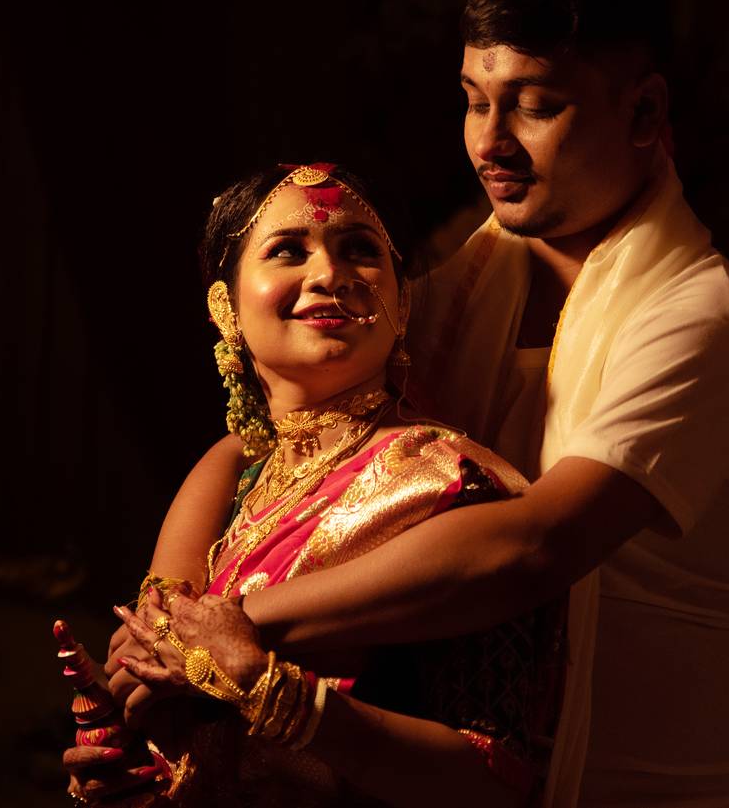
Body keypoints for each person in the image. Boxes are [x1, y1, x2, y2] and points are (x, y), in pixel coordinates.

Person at [111, 0, 729, 807]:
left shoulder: (700, 315)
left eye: (535, 105)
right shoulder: (450, 299)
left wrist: (227, 626)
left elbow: (533, 545)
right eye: (475, 102)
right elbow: (291, 435)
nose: (491, 143)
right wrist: (156, 684)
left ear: (643, 114)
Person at [60, 163, 567, 807]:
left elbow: (494, 780)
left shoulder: (448, 483)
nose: (329, 274)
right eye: (287, 251)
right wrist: (135, 768)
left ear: (402, 304)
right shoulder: (237, 480)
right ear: (225, 308)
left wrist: (277, 694)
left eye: (359, 249)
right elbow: (170, 698)